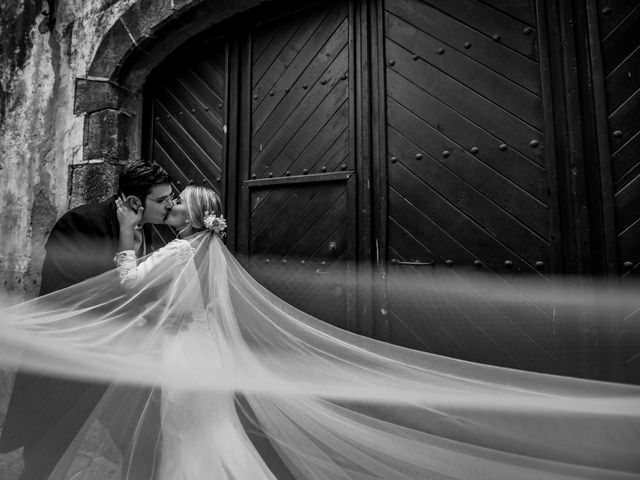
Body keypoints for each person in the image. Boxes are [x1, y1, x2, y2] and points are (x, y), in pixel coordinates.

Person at [0, 185, 639, 479]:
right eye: (161, 202)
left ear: (187, 217)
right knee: (208, 428)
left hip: (182, 355)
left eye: (173, 205)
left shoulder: (173, 252)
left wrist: (122, 249)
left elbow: (135, 287)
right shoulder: (206, 251)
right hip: (207, 351)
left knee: (186, 435)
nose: (166, 211)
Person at [0, 160, 174, 480]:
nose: (170, 206)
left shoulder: (152, 232)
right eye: (162, 201)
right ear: (135, 202)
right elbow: (67, 296)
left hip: (124, 364)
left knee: (143, 440)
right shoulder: (80, 223)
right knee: (47, 451)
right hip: (74, 361)